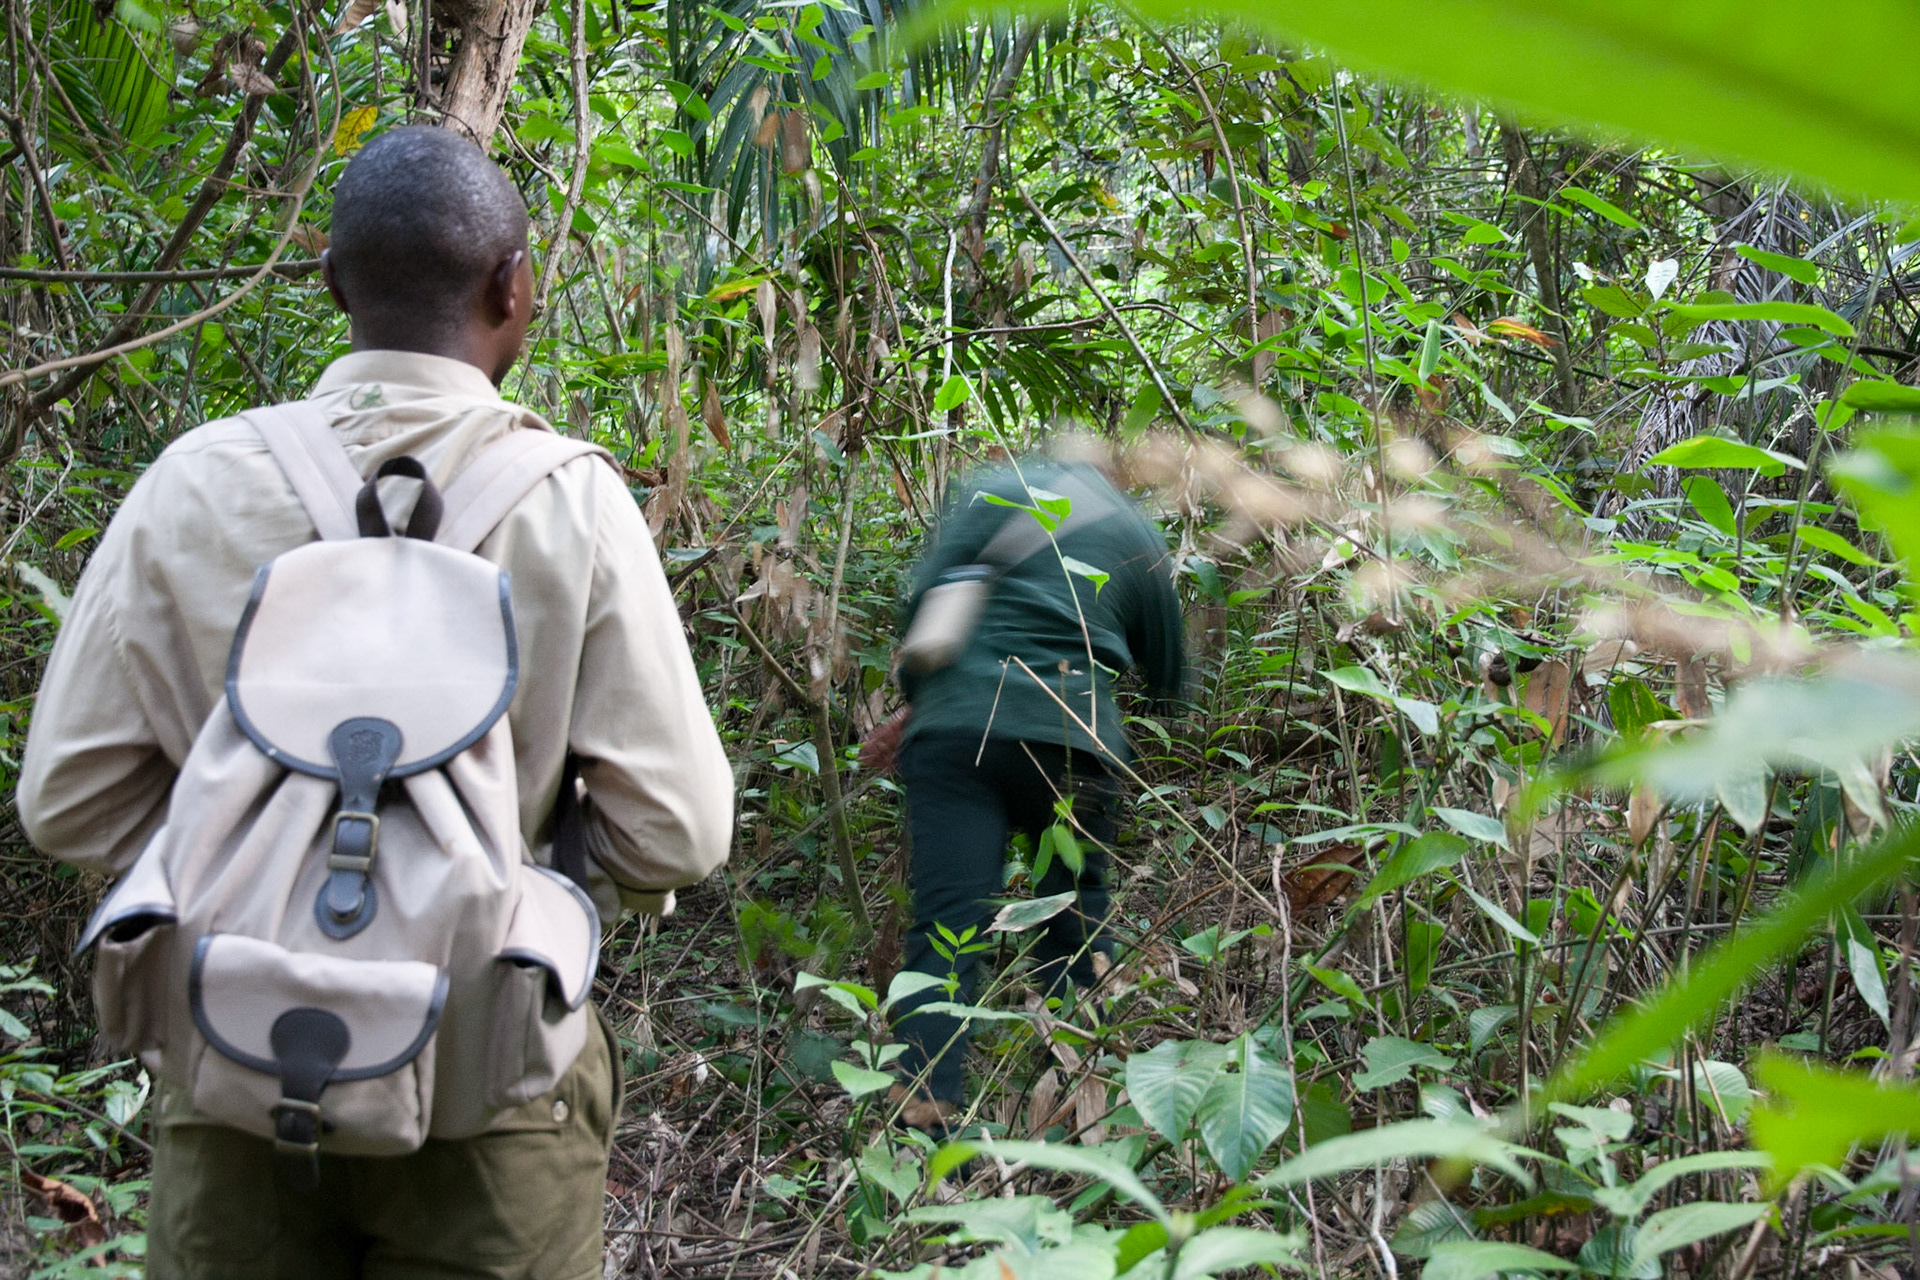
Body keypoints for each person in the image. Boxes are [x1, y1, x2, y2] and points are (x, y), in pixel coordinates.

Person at [16, 126, 733, 1280]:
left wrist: (247, 865)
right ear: (514, 286)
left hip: (236, 1057)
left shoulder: (193, 481)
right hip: (493, 1086)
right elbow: (680, 831)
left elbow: (66, 800)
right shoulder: (575, 504)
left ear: (333, 279)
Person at [862, 449, 1185, 1129]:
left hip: (954, 736)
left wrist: (929, 699)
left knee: (948, 921)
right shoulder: (1133, 529)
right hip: (1071, 737)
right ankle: (1078, 1101)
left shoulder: (990, 491)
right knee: (1073, 915)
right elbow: (1170, 678)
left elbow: (923, 605)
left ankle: (924, 1108)